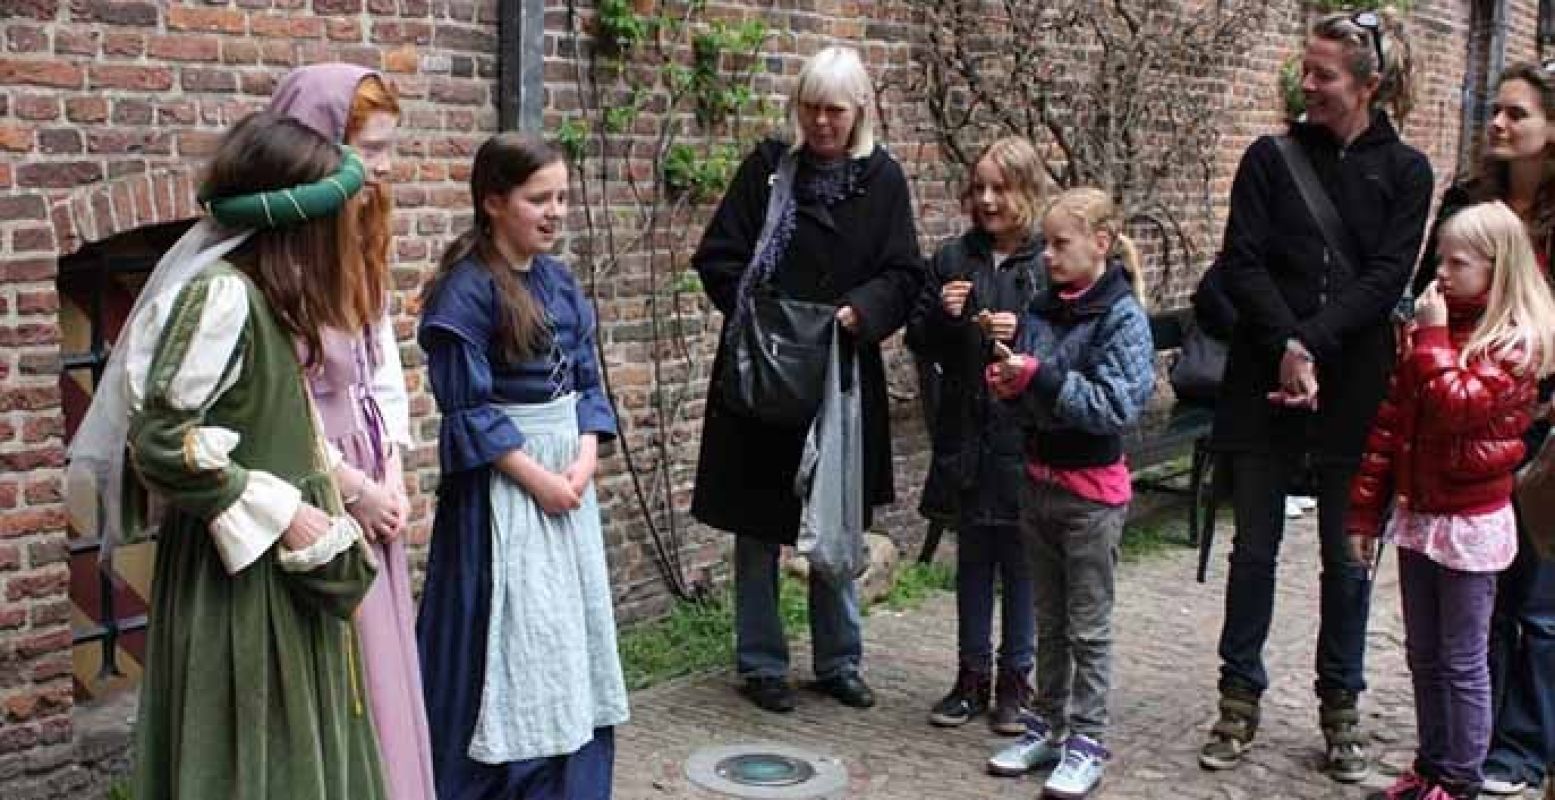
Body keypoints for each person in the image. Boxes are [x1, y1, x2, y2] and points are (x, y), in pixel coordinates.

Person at [69, 111, 386, 798]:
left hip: (282, 577)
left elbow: (267, 425)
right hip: (242, 589)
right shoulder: (222, 297)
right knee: (254, 761)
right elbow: (162, 442)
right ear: (301, 222)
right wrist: (290, 514)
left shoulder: (268, 298)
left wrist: (339, 485)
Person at [1199, 9, 1434, 782]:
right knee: (1253, 551)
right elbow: (1242, 262)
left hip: (1351, 388)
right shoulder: (1267, 159)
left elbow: (1384, 279)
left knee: (1347, 558)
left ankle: (1340, 707)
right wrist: (1285, 347)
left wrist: (1313, 344)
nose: (1306, 85)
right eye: (1305, 69)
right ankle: (1237, 699)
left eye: (1324, 75)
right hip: (1263, 380)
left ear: (1369, 85)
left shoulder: (1406, 174)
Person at [689, 45, 925, 714]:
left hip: (839, 375)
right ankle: (761, 663)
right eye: (810, 108)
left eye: (835, 111)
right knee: (757, 526)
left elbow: (905, 273)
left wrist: (862, 312)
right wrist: (758, 314)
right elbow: (717, 256)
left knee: (835, 520)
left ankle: (837, 660)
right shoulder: (768, 169)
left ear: (859, 113)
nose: (821, 123)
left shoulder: (881, 181)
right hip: (761, 378)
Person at [416, 133, 627, 800]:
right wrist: (539, 481)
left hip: (566, 483)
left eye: (562, 197)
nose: (555, 211)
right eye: (539, 199)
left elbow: (589, 386)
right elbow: (468, 411)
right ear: (493, 203)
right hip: (503, 495)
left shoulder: (559, 283)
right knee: (502, 641)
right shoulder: (466, 291)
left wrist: (583, 460)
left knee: (565, 635)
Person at [1349, 200, 1555, 800]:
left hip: (1469, 523)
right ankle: (1432, 763)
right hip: (1420, 513)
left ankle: (1461, 777)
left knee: (1463, 658)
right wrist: (1365, 510)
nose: (1440, 273)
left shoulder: (1514, 343)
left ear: (1497, 269)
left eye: (1457, 263)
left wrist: (1431, 338)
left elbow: (1456, 407)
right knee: (1424, 653)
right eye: (1439, 259)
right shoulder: (1430, 333)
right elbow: (1392, 424)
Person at [268, 63, 435, 800]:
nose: (388, 166)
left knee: (385, 672)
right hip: (313, 477)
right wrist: (354, 487)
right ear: (319, 146)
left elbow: (380, 363)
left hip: (369, 471)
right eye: (372, 148)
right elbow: (274, 401)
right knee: (339, 670)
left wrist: (393, 468)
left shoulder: (362, 230)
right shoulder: (272, 260)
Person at [1409, 61, 1555, 798]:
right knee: (1477, 604)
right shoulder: (1466, 199)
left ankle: (1522, 746)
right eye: (1493, 111)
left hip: (1541, 421)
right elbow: (1424, 289)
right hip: (1464, 408)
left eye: (1516, 114)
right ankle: (1470, 739)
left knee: (1536, 598)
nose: (1497, 124)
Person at [982, 187, 1156, 799]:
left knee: (1089, 627)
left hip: (1091, 498)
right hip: (1039, 484)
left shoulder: (1121, 317)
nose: (1048, 257)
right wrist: (1009, 381)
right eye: (1046, 245)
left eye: (1060, 244)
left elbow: (1115, 406)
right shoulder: (1041, 305)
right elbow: (1040, 389)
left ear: (1100, 244)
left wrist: (1041, 377)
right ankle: (1047, 726)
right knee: (1048, 621)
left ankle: (1086, 740)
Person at [906, 136, 1046, 734]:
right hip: (967, 430)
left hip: (1023, 435)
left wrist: (1027, 333)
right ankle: (970, 676)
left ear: (1027, 191)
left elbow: (1068, 340)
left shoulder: (1044, 263)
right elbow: (918, 338)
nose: (985, 200)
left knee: (1018, 558)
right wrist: (942, 315)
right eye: (978, 188)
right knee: (972, 558)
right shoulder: (953, 259)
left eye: (999, 189)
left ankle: (1017, 678)